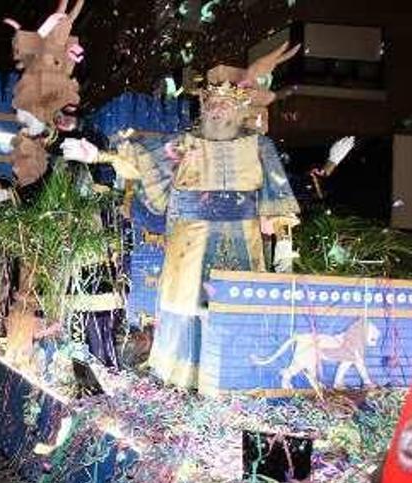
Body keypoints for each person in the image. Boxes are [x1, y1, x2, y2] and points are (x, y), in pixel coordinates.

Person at [60, 43, 355, 390]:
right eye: (211, 103)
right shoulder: (185, 143)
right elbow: (143, 160)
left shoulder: (260, 147)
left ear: (239, 109)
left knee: (234, 307)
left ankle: (236, 376)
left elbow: (279, 197)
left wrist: (285, 250)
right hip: (191, 244)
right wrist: (100, 157)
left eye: (224, 104)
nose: (216, 110)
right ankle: (184, 376)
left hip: (242, 242)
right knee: (188, 306)